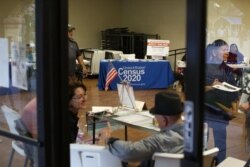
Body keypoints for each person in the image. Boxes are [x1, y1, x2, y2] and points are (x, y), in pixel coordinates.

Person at [98, 91, 184, 167]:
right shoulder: (194, 133)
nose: (156, 119)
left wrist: (108, 139)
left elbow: (129, 152)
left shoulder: (160, 141)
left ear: (164, 120)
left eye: (156, 117)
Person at [205, 39, 240, 165]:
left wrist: (234, 109)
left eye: (227, 50)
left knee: (221, 142)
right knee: (203, 140)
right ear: (214, 52)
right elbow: (195, 89)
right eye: (223, 50)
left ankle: (221, 163)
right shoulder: (204, 67)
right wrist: (210, 86)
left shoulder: (227, 68)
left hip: (222, 112)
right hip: (206, 109)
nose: (226, 52)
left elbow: (234, 90)